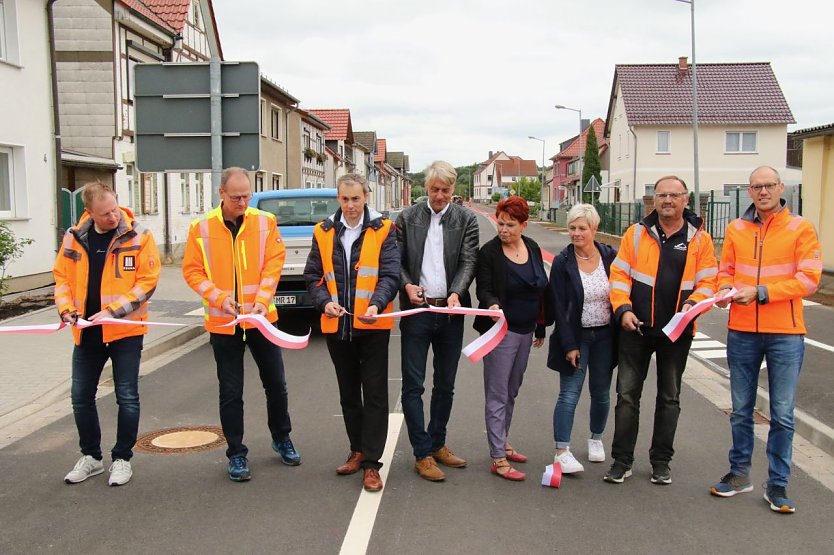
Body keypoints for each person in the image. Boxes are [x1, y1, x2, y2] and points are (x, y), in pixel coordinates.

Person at [709, 166, 822, 513]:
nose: (763, 191)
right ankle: (739, 474)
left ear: (780, 187)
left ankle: (778, 484)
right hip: (742, 330)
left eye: (769, 185)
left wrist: (761, 292)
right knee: (740, 410)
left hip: (785, 333)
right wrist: (724, 289)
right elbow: (725, 270)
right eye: (757, 186)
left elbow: (809, 279)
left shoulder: (800, 227)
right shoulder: (736, 229)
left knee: (782, 414)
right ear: (749, 191)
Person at [182, 167, 299, 482]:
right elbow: (192, 271)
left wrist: (262, 299)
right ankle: (236, 453)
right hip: (225, 323)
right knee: (231, 391)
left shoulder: (265, 221)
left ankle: (282, 437)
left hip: (261, 320)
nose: (243, 202)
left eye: (247, 195)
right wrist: (219, 298)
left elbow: (274, 263)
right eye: (236, 197)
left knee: (276, 384)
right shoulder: (201, 228)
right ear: (221, 193)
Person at [605, 175, 718, 485]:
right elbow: (618, 276)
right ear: (654, 199)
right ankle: (621, 461)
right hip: (636, 328)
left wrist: (692, 305)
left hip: (677, 331)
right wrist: (623, 309)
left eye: (674, 195)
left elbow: (709, 282)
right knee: (627, 396)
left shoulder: (700, 239)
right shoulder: (636, 234)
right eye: (662, 195)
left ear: (686, 199)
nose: (667, 200)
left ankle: (661, 462)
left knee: (669, 398)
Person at [54, 180, 161, 486]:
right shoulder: (74, 237)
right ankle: (91, 457)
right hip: (87, 332)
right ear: (89, 213)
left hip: (125, 331)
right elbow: (62, 278)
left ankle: (122, 458)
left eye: (115, 209)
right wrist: (65, 309)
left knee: (126, 396)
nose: (113, 217)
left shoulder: (139, 235)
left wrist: (114, 311)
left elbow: (147, 282)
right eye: (105, 214)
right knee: (80, 397)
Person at [304, 174, 400, 492]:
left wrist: (376, 304)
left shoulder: (384, 229)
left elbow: (390, 275)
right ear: (338, 199)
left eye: (355, 199)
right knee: (348, 394)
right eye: (344, 199)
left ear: (365, 197)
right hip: (337, 326)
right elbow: (313, 276)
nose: (350, 206)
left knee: (374, 395)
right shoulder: (323, 231)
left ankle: (372, 464)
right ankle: (357, 450)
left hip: (372, 326)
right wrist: (324, 302)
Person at [395, 160, 479, 482]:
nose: (440, 195)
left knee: (445, 384)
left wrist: (457, 292)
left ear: (453, 189)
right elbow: (397, 260)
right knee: (413, 385)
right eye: (434, 189)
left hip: (450, 313)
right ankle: (422, 453)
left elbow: (469, 261)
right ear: (426, 188)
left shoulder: (466, 220)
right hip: (417, 312)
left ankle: (438, 442)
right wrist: (407, 285)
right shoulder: (407, 218)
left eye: (445, 189)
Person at [474, 196, 550, 481]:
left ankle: (503, 440)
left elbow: (540, 290)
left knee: (512, 390)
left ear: (523, 225)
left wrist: (540, 326)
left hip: (526, 330)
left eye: (510, 225)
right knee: (497, 393)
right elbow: (484, 288)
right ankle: (498, 457)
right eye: (500, 223)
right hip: (500, 332)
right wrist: (492, 304)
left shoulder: (532, 247)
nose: (503, 230)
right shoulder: (489, 253)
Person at [547, 204, 618, 474]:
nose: (576, 233)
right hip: (576, 338)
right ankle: (561, 450)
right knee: (569, 393)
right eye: (572, 228)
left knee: (601, 393)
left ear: (594, 229)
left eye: (582, 228)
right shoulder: (562, 262)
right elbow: (559, 307)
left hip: (605, 336)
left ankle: (596, 439)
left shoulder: (610, 257)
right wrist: (570, 345)